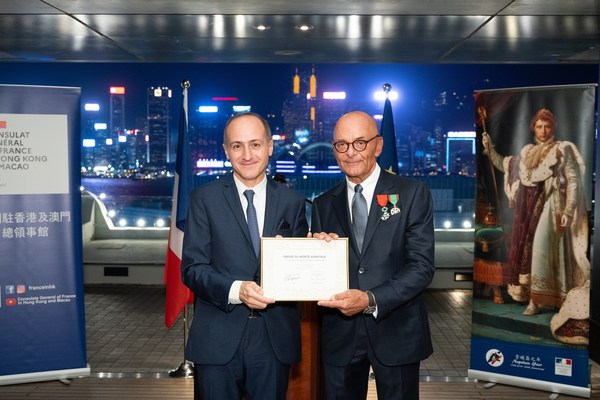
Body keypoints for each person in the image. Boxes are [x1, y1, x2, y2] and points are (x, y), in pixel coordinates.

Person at [181, 112, 309, 399]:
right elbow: (192, 268)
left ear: (270, 146)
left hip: (274, 340)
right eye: (237, 146)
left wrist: (317, 250)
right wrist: (238, 290)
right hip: (217, 338)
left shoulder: (293, 203)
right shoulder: (204, 199)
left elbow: (301, 270)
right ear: (226, 151)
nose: (247, 154)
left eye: (255, 144)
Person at [310, 111, 435, 399]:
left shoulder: (412, 193)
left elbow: (421, 267)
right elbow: (322, 272)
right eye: (342, 144)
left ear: (378, 146)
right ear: (334, 150)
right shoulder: (322, 204)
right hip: (340, 335)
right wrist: (314, 251)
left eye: (360, 143)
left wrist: (370, 299)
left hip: (397, 331)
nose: (350, 152)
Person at [481, 108, 589, 319]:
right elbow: (506, 165)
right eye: (539, 126)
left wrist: (568, 209)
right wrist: (489, 148)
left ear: (553, 128)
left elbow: (574, 181)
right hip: (527, 210)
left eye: (547, 126)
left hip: (551, 206)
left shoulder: (561, 149)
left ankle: (554, 298)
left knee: (551, 253)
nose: (543, 130)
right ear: (533, 129)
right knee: (533, 253)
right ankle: (534, 299)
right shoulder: (527, 152)